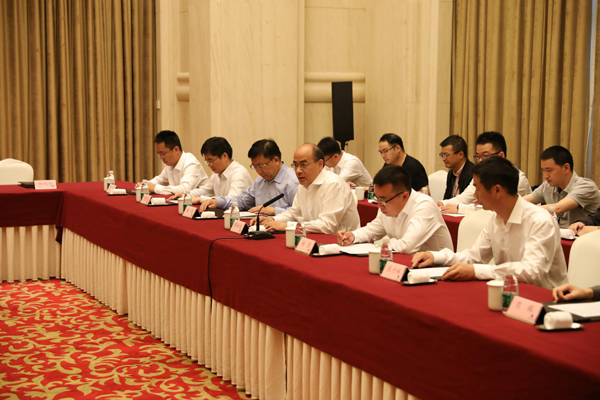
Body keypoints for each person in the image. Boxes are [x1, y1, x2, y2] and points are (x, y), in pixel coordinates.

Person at [412, 157, 568, 290]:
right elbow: (473, 257)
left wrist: (476, 271)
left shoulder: (540, 221)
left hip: (545, 300)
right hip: (509, 292)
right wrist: (435, 256)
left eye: (478, 189)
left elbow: (531, 271)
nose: (475, 195)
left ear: (497, 190)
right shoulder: (495, 218)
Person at [336, 165, 453, 254]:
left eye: (383, 200)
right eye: (377, 199)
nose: (379, 205)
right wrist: (353, 236)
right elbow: (372, 230)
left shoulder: (424, 206)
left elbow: (406, 247)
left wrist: (387, 242)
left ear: (404, 196)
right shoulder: (386, 205)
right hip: (409, 265)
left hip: (438, 270)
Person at [258, 144, 360, 233]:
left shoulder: (333, 184)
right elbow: (293, 214)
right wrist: (273, 220)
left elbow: (326, 225)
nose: (298, 171)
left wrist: (288, 226)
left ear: (320, 164)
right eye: (295, 165)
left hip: (341, 243)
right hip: (313, 240)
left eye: (303, 165)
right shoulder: (303, 186)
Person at [437, 131, 532, 214]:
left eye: (485, 156)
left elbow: (495, 208)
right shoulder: (480, 176)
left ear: (501, 156)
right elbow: (464, 198)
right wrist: (441, 203)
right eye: (478, 156)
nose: (480, 161)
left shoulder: (516, 178)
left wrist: (459, 208)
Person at [198, 139, 298, 215]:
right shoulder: (260, 181)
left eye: (261, 166)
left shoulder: (293, 181)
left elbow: (300, 213)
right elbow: (242, 202)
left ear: (276, 160)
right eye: (255, 167)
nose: (259, 171)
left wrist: (274, 211)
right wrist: (217, 201)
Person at [523, 146, 600, 228]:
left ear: (566, 168)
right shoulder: (548, 185)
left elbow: (557, 209)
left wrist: (524, 209)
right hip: (557, 233)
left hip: (580, 234)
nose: (545, 176)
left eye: (549, 170)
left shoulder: (586, 186)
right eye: (544, 170)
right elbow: (522, 201)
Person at [172, 137, 253, 202]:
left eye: (211, 161)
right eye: (207, 161)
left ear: (224, 156)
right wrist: (186, 195)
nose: (209, 165)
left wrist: (201, 199)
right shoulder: (216, 176)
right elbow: (202, 192)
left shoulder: (239, 173)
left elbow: (232, 201)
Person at [147, 130, 207, 195]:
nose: (161, 158)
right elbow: (158, 180)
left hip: (202, 201)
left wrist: (155, 188)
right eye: (159, 154)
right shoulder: (170, 165)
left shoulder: (191, 164)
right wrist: (145, 185)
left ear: (176, 150)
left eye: (163, 154)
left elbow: (184, 190)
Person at [439, 135, 475, 200]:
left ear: (460, 155)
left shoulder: (473, 173)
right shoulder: (451, 173)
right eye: (442, 155)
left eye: (446, 155)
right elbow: (447, 199)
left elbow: (467, 201)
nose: (443, 159)